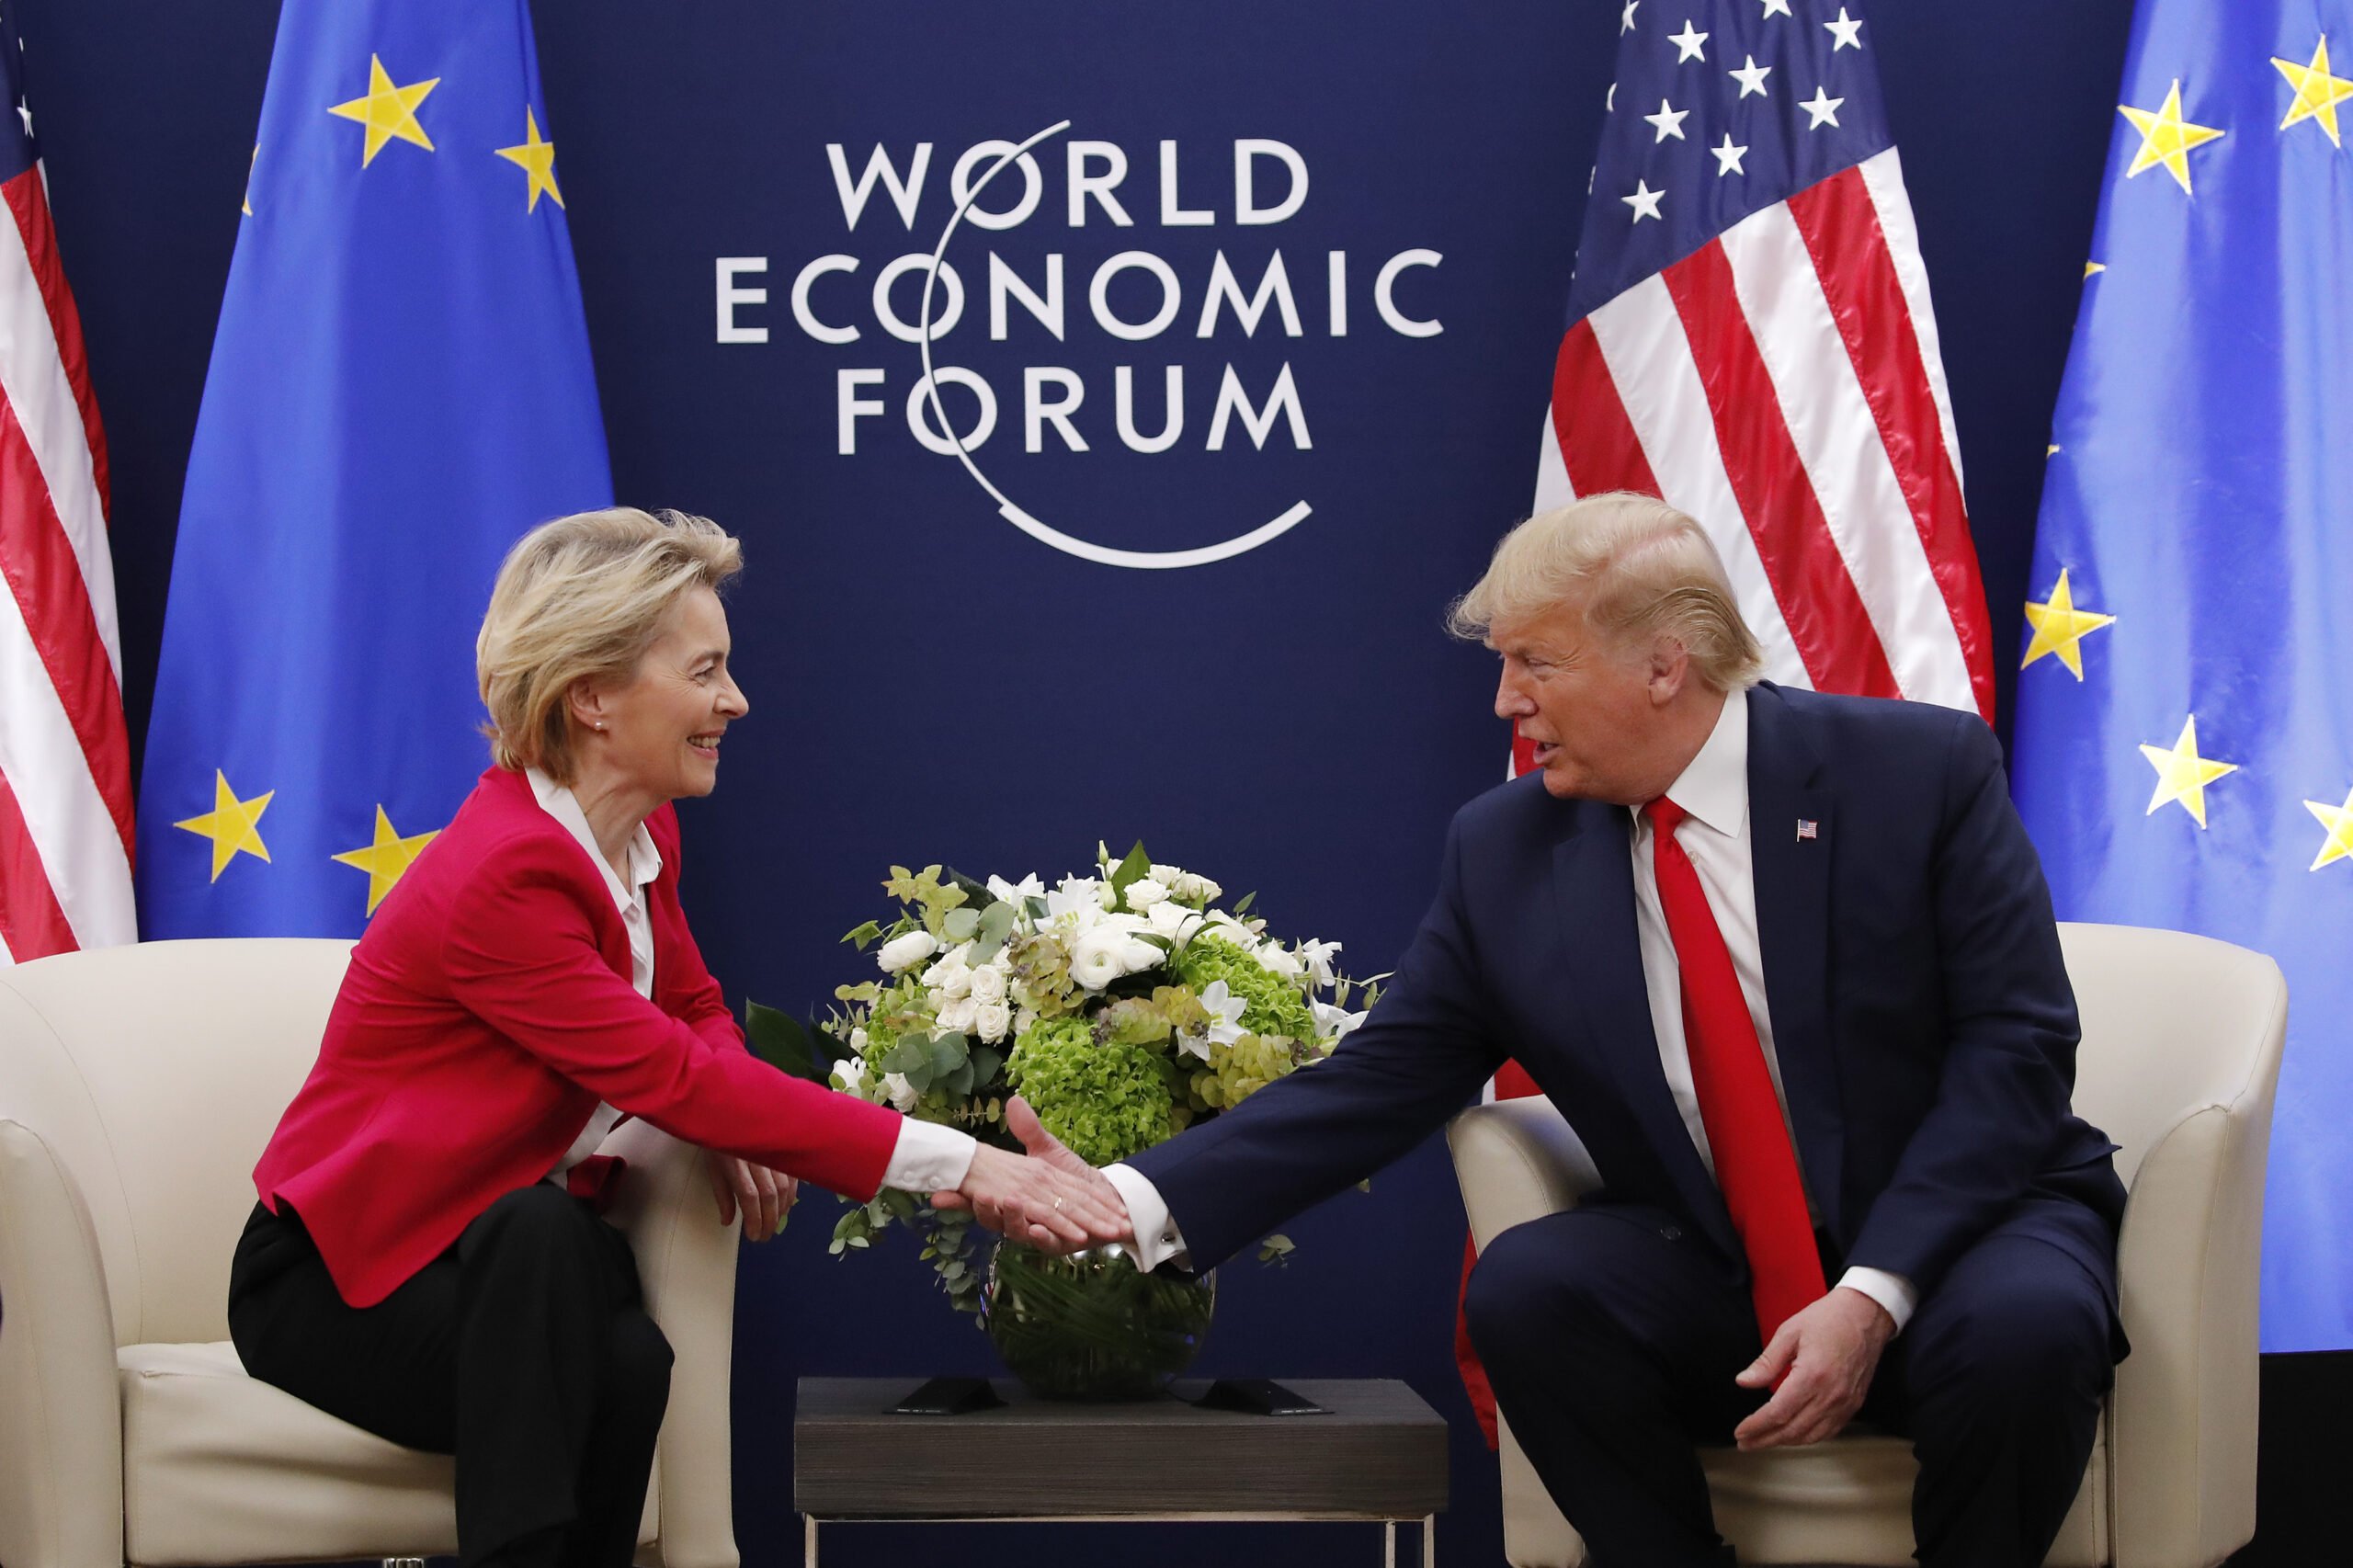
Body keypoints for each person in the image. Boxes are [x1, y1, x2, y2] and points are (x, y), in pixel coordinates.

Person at [1014, 493, 2128, 1568]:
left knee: (2025, 1327)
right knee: (1529, 1287)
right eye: (1503, 664)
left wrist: (1872, 1292)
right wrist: (1131, 1200)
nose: (1505, 701)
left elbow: (2014, 1047)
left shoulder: (1913, 773)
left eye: (1535, 663)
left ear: (1662, 663)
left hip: (1955, 1236)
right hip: (1719, 1258)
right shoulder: (1505, 850)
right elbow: (1385, 1077)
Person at [228, 507, 1122, 1568]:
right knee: (548, 1239)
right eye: (705, 672)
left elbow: (696, 1014)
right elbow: (666, 1071)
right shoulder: (501, 873)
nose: (734, 702)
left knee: (629, 1355)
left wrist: (734, 1107)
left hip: (501, 1268)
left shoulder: (641, 831)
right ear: (592, 696)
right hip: (346, 1280)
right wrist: (971, 1164)